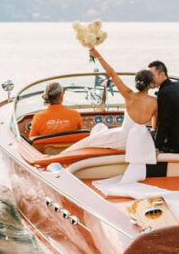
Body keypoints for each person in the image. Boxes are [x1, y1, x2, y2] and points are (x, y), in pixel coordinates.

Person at [67, 47, 158, 182]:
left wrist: (98, 55)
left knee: (90, 140)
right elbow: (154, 128)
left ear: (136, 82)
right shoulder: (156, 102)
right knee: (99, 132)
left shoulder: (128, 95)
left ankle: (60, 157)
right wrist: (155, 148)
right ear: (151, 84)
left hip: (121, 140)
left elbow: (111, 73)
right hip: (140, 143)